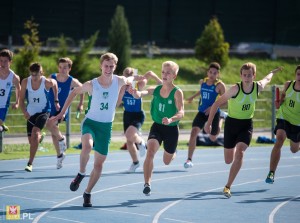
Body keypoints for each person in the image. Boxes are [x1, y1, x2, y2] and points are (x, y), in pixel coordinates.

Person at [51, 52, 138, 207]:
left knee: (99, 165)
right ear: (101, 66)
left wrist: (132, 82)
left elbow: (130, 78)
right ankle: (81, 173)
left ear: (115, 67)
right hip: (90, 122)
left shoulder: (119, 81)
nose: (109, 69)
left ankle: (87, 192)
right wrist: (62, 112)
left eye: (112, 66)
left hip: (106, 127)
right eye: (106, 66)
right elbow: (73, 92)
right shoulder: (92, 84)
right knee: (88, 145)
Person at [204, 63, 282, 198]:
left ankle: (227, 186)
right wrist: (209, 123)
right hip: (231, 124)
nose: (247, 78)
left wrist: (272, 72)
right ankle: (233, 149)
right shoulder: (235, 88)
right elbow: (216, 103)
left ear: (254, 76)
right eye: (244, 75)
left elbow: (267, 79)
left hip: (246, 125)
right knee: (228, 160)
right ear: (241, 76)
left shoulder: (257, 86)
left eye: (249, 75)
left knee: (240, 153)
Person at [130, 61, 184, 196]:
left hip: (171, 129)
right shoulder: (157, 89)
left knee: (166, 161)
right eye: (163, 72)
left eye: (168, 73)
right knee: (150, 153)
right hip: (157, 127)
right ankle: (147, 183)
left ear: (174, 76)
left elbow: (181, 112)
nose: (165, 75)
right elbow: (144, 92)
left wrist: (171, 119)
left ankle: (173, 152)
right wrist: (137, 93)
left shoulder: (177, 92)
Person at [117, 68, 162, 173]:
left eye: (130, 75)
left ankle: (142, 143)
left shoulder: (139, 85)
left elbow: (150, 73)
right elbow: (117, 103)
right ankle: (135, 162)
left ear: (133, 76)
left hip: (138, 115)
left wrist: (159, 81)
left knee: (129, 134)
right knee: (129, 142)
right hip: (127, 114)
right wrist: (122, 92)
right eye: (126, 75)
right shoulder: (121, 88)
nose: (128, 77)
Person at [184, 62, 226, 168]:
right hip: (202, 112)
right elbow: (202, 91)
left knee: (212, 137)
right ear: (207, 72)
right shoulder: (203, 82)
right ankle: (189, 159)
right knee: (194, 132)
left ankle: (222, 118)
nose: (212, 74)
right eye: (210, 72)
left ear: (218, 74)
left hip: (214, 113)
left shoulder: (219, 85)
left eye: (214, 73)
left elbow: (225, 101)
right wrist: (192, 97)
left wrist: (212, 107)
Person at [19, 62, 59, 172]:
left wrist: (56, 100)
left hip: (44, 111)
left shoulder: (46, 82)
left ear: (41, 73)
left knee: (35, 132)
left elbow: (55, 84)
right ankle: (40, 137)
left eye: (36, 75)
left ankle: (30, 163)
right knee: (32, 142)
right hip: (31, 112)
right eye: (32, 74)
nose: (34, 77)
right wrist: (24, 111)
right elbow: (21, 100)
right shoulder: (25, 82)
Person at [46, 57, 84, 169]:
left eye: (65, 67)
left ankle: (62, 139)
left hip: (62, 109)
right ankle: (59, 155)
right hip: (50, 107)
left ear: (69, 68)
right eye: (61, 67)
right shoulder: (52, 77)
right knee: (53, 132)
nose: (62, 70)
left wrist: (81, 104)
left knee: (50, 124)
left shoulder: (72, 81)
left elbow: (82, 90)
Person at [265, 65, 300, 184]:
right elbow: (282, 99)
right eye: (298, 74)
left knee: (294, 150)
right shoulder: (288, 85)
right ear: (295, 75)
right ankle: (271, 173)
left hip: (297, 123)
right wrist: (278, 103)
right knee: (279, 140)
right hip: (284, 117)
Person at [0, 49, 21, 132]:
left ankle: (1, 127)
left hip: (3, 106)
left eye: (5, 61)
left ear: (10, 62)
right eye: (1, 61)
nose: (2, 63)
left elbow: (18, 88)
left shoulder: (14, 77)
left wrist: (17, 102)